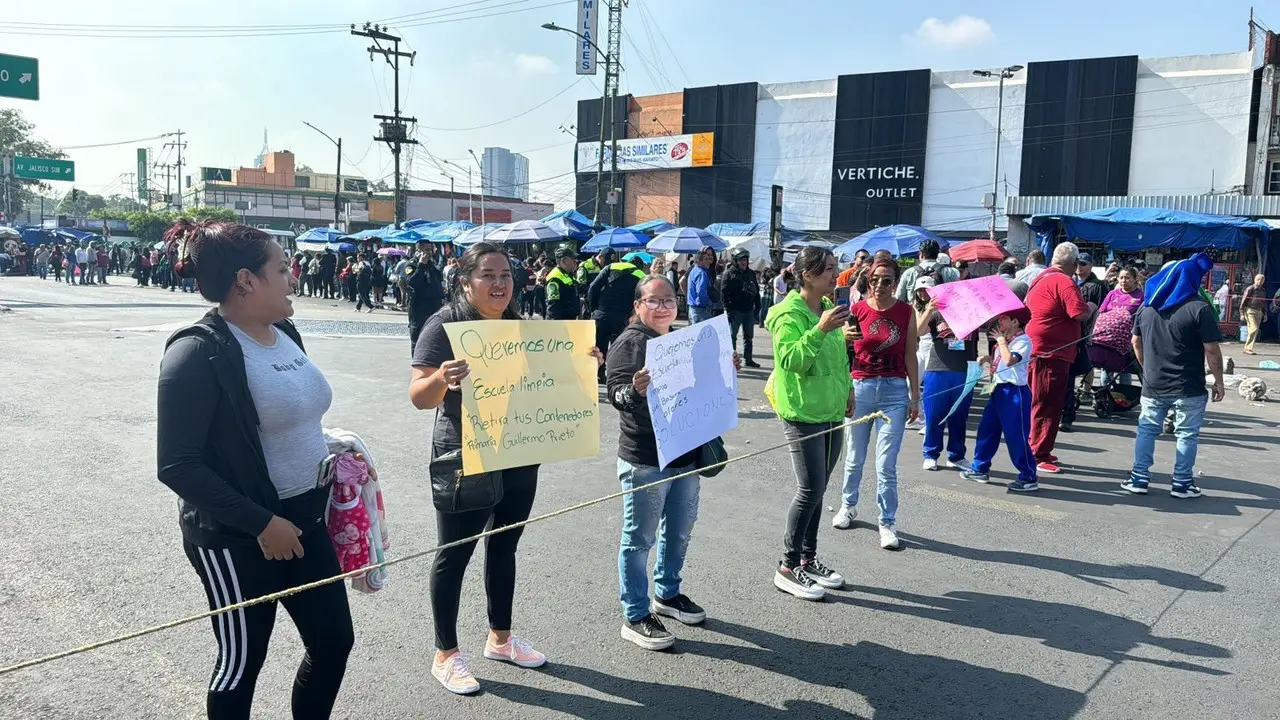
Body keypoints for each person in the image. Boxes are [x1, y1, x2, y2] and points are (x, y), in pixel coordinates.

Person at [156, 220, 353, 718]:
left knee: (333, 643)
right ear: (246, 280)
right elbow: (177, 465)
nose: (295, 277)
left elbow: (283, 421)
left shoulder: (285, 331)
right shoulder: (196, 352)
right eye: (283, 268)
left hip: (307, 519)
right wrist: (263, 524)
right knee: (242, 661)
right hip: (236, 536)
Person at [409, 242, 602, 695]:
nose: (499, 284)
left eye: (506, 276)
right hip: (465, 451)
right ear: (466, 280)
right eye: (488, 275)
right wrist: (442, 378)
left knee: (505, 544)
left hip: (518, 445)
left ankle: (500, 637)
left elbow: (548, 382)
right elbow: (419, 396)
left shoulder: (521, 327)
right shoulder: (446, 325)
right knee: (454, 552)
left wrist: (582, 364)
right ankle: (446, 654)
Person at [606, 275, 708, 650]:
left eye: (669, 300)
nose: (663, 306)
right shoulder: (630, 343)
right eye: (654, 300)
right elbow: (616, 393)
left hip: (684, 453)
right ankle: (634, 614)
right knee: (638, 540)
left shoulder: (676, 339)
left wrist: (722, 367)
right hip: (646, 457)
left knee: (679, 530)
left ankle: (667, 594)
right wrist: (634, 390)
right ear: (637, 306)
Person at [765, 246, 853, 601]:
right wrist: (819, 330)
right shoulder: (788, 313)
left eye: (835, 268)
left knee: (820, 487)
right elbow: (792, 360)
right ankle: (787, 566)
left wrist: (847, 390)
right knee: (810, 489)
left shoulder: (831, 309)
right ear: (807, 276)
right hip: (801, 412)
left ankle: (808, 557)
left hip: (832, 409)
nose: (836, 275)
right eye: (829, 270)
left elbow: (838, 357)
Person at [833, 260, 920, 550]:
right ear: (867, 281)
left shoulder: (906, 313)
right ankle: (848, 505)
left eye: (887, 280)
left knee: (886, 464)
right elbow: (839, 350)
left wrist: (914, 396)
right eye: (875, 280)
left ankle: (887, 522)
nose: (880, 286)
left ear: (896, 283)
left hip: (894, 392)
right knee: (854, 456)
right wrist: (842, 337)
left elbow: (910, 356)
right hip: (860, 388)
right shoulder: (856, 310)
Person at [1124, 253, 1224, 498]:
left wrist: (1147, 367)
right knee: (1186, 434)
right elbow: (1211, 348)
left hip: (1154, 383)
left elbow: (1135, 341)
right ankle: (1182, 483)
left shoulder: (1147, 309)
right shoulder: (1199, 309)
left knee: (1147, 429)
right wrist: (1219, 382)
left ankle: (1139, 478)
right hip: (1188, 385)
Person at [1023, 242, 1092, 475]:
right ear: (1072, 263)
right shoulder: (1064, 281)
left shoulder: (1040, 278)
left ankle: (1040, 446)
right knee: (1047, 403)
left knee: (1040, 401)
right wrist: (1092, 307)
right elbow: (1079, 312)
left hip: (1039, 349)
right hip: (1052, 352)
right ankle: (1038, 453)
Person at [960, 308, 1039, 491]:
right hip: (997, 390)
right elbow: (1001, 362)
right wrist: (988, 358)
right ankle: (980, 468)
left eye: (1003, 319)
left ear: (1015, 322)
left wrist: (1001, 342)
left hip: (1014, 392)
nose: (999, 323)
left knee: (1015, 436)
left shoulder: (1022, 341)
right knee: (987, 430)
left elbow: (1010, 360)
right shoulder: (1005, 342)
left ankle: (1028, 476)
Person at [915, 282, 978, 472]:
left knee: (959, 416)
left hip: (964, 370)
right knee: (935, 414)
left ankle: (956, 455)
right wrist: (929, 309)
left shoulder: (975, 314)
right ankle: (930, 454)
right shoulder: (936, 313)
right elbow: (917, 331)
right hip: (937, 369)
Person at [1061, 252, 1107, 433]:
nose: (1080, 267)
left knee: (1083, 367)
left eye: (1084, 264)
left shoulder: (1098, 285)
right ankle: (1066, 410)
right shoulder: (1069, 282)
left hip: (1085, 333)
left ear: (1091, 266)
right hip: (1069, 334)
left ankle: (1085, 392)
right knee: (1068, 375)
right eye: (1077, 263)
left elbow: (1101, 310)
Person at [588, 253, 647, 366]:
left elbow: (593, 288)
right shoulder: (641, 276)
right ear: (640, 266)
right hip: (623, 319)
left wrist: (594, 309)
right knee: (618, 351)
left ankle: (598, 375)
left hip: (602, 315)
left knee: (598, 349)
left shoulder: (611, 267)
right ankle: (613, 375)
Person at [720, 247, 762, 367]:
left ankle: (748, 359)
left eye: (745, 260)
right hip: (735, 311)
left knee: (749, 337)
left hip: (748, 310)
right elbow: (723, 293)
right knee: (732, 337)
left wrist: (757, 307)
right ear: (736, 261)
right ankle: (731, 361)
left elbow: (756, 291)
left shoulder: (751, 274)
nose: (743, 262)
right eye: (741, 260)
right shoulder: (729, 274)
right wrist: (728, 309)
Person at [405, 241, 445, 351]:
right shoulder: (412, 264)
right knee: (418, 341)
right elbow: (412, 282)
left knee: (434, 340)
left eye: (430, 249)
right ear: (418, 251)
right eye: (426, 250)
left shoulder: (431, 264)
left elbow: (438, 279)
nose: (429, 252)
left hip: (434, 308)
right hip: (419, 309)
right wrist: (421, 264)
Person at [543, 246, 581, 321]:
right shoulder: (554, 279)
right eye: (572, 259)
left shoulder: (567, 274)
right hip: (562, 322)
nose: (575, 261)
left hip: (569, 319)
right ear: (564, 261)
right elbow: (553, 306)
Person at [686, 247, 715, 324]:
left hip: (693, 309)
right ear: (699, 261)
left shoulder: (693, 270)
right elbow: (701, 292)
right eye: (705, 259)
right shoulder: (701, 273)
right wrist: (705, 305)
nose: (708, 261)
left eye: (708, 259)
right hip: (701, 310)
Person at [1240, 273, 1266, 355]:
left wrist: (1265, 314)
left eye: (1262, 280)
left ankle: (1249, 348)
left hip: (1259, 311)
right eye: (1258, 279)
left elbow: (1263, 302)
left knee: (1255, 330)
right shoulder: (1250, 289)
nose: (1260, 281)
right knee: (1253, 328)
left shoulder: (1263, 291)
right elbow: (1243, 301)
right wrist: (1241, 313)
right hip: (1250, 310)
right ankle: (1248, 348)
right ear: (1255, 279)